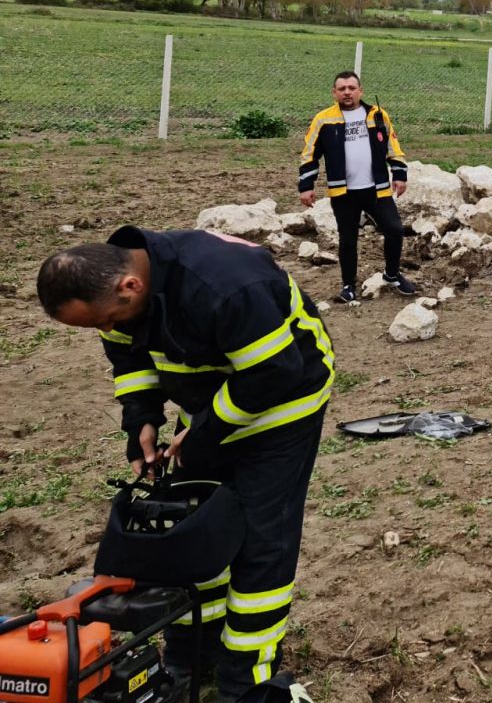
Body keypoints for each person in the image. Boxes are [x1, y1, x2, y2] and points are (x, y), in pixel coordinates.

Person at [36, 228, 334, 700]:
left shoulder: (227, 284)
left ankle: (246, 680)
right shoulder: (120, 294)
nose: (105, 329)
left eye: (108, 319)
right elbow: (128, 352)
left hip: (283, 406)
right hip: (212, 406)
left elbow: (275, 372)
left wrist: (206, 430)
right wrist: (142, 420)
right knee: (193, 529)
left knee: (262, 542)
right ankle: (192, 655)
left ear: (129, 286)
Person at [298, 70, 415, 303]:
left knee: (394, 230)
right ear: (334, 93)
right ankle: (348, 286)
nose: (347, 92)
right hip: (343, 192)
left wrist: (400, 174)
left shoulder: (378, 115)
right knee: (348, 239)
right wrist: (306, 185)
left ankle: (391, 275)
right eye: (342, 89)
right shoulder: (323, 119)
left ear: (360, 91)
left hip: (377, 189)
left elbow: (394, 147)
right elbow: (309, 154)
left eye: (352, 88)